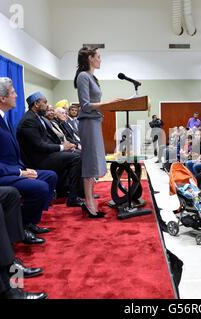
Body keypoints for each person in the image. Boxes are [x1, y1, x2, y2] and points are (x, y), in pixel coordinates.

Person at [0, 78, 57, 240]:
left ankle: (29, 221)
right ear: (2, 98)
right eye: (12, 92)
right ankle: (20, 227)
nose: (16, 95)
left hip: (10, 171)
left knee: (50, 176)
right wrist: (20, 173)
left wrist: (22, 170)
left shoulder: (2, 117)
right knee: (40, 187)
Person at [74, 46, 123, 218]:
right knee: (89, 163)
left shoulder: (92, 77)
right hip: (87, 123)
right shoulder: (83, 76)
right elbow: (85, 105)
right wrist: (108, 104)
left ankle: (90, 201)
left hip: (94, 122)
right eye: (98, 56)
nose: (100, 59)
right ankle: (89, 203)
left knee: (94, 162)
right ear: (90, 58)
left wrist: (108, 105)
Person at [17, 92, 84, 204]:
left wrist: (65, 147)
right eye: (45, 102)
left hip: (44, 155)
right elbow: (39, 145)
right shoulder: (29, 120)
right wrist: (62, 147)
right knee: (76, 158)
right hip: (37, 159)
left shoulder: (38, 118)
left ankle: (66, 191)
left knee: (76, 154)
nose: (47, 106)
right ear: (36, 104)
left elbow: (48, 141)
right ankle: (73, 197)